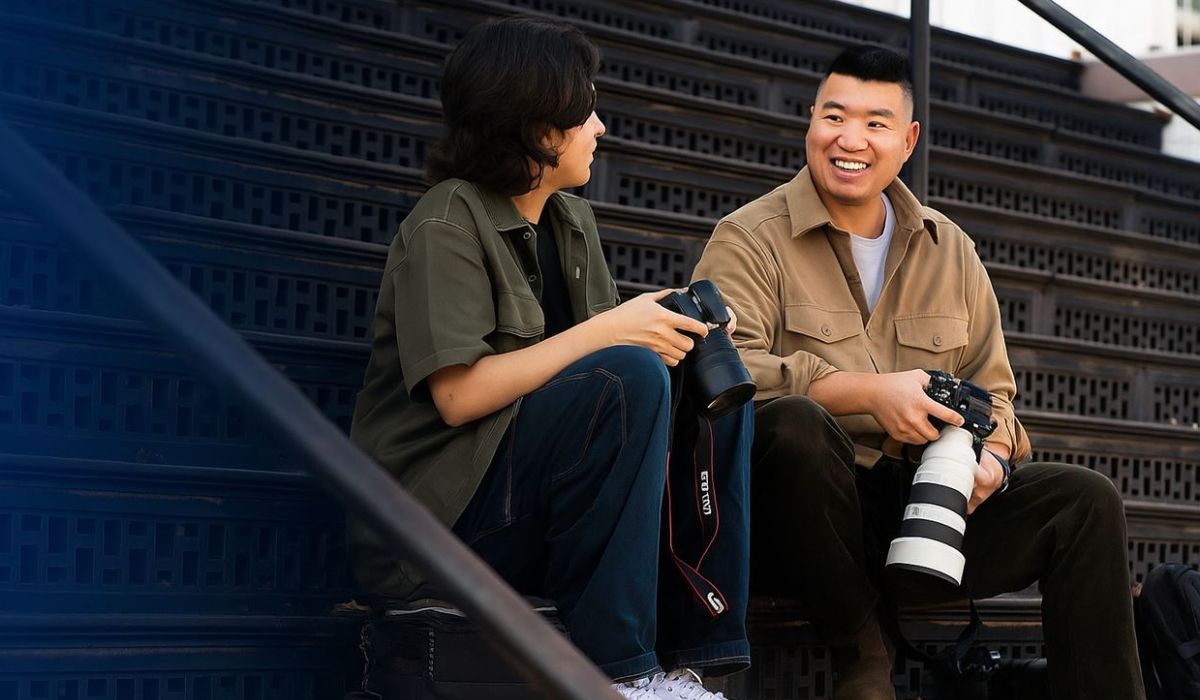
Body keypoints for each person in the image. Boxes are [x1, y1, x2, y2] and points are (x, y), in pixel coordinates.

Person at [692, 45, 1143, 700]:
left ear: (907, 141)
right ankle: (860, 650)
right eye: (835, 116)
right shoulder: (750, 236)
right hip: (802, 516)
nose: (850, 139)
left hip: (925, 515)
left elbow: (999, 401)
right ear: (809, 122)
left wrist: (987, 460)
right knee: (795, 425)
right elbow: (721, 373)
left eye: (875, 123)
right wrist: (869, 394)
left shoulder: (951, 249)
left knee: (1084, 499)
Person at [348, 16, 751, 700]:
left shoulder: (571, 219)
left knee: (710, 382)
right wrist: (614, 333)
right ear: (542, 132)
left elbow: (601, 379)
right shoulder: (446, 221)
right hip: (438, 527)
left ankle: (692, 658)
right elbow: (458, 397)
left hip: (529, 508)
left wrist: (671, 329)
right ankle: (622, 673)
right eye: (587, 110)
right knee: (629, 373)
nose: (601, 128)